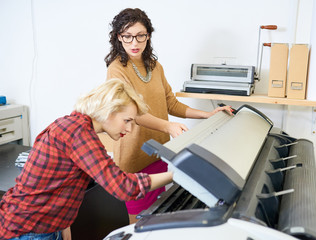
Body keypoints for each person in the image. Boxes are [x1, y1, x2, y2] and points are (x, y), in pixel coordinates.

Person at [0, 79, 173, 240]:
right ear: (108, 111)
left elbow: (60, 185)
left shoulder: (72, 124)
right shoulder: (79, 133)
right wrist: (175, 175)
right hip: (29, 230)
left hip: (38, 224)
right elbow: (124, 187)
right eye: (126, 120)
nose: (129, 129)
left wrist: (63, 226)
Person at [104, 8, 233, 223]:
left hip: (159, 153)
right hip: (134, 158)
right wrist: (168, 127)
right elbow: (132, 113)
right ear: (118, 37)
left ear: (148, 35)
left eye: (140, 36)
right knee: (139, 225)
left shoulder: (155, 66)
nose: (134, 43)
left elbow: (170, 103)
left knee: (159, 218)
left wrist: (208, 114)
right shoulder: (116, 69)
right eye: (127, 36)